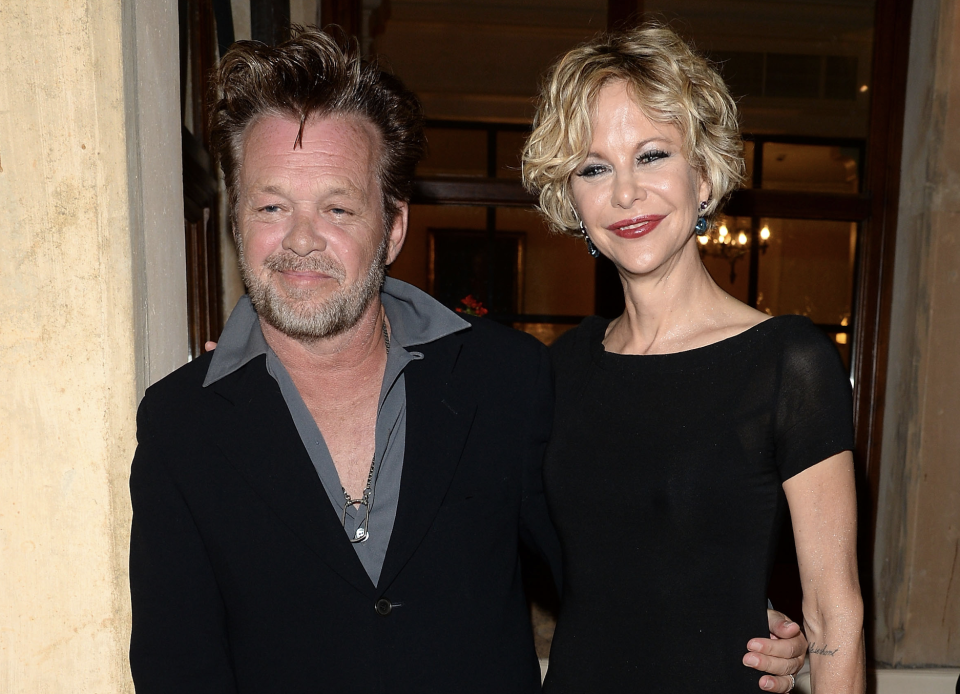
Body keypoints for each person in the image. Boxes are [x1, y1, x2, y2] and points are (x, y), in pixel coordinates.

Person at [129, 27, 807, 693]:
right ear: (238, 221)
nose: (302, 240)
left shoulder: (505, 378)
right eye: (272, 205)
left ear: (392, 226)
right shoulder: (181, 423)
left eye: (338, 208)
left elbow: (607, 571)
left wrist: (737, 626)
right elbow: (176, 668)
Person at [522, 23, 865, 694]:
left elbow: (835, 615)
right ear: (572, 200)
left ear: (703, 176)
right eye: (595, 168)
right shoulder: (560, 369)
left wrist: (763, 630)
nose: (625, 193)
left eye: (652, 155)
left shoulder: (787, 363)